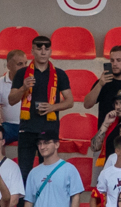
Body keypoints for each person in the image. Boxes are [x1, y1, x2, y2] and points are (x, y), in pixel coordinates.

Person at [10, 34, 74, 179]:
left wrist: (52, 107)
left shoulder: (59, 74)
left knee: (48, 171)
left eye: (47, 48)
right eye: (39, 48)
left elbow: (70, 101)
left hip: (49, 129)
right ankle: (24, 196)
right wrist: (23, 88)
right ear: (32, 51)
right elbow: (11, 100)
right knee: (24, 172)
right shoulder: (22, 73)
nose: (43, 52)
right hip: (27, 129)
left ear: (51, 51)